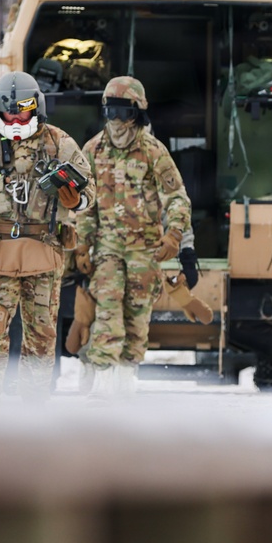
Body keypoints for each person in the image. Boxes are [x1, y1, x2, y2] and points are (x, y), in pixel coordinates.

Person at [0, 71, 91, 403]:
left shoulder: (58, 142)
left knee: (42, 333)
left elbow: (88, 191)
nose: (16, 119)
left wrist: (76, 199)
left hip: (44, 248)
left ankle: (33, 400)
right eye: (8, 113)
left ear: (37, 108)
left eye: (23, 112)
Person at [74, 76, 192, 396]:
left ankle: (125, 378)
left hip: (145, 248)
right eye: (109, 112)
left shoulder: (154, 151)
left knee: (137, 316)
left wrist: (174, 235)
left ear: (137, 114)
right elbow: (85, 203)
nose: (115, 121)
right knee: (108, 308)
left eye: (122, 113)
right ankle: (102, 378)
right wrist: (82, 244)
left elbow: (176, 197)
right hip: (108, 246)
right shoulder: (93, 149)